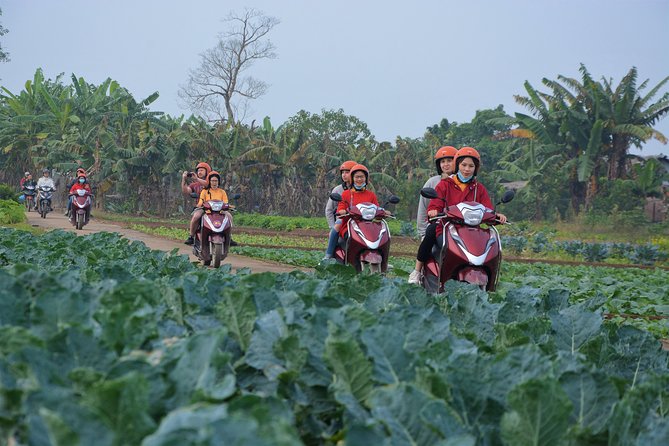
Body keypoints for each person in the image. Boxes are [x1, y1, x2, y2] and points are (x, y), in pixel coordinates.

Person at [408, 147, 507, 284]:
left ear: (476, 168)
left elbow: (487, 209)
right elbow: (434, 205)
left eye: (471, 166)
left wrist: (496, 216)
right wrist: (434, 211)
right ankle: (417, 271)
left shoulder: (479, 188)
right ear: (457, 166)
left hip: (471, 231)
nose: (467, 169)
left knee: (490, 241)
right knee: (431, 230)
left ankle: (490, 280)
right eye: (463, 165)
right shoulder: (444, 184)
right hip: (447, 227)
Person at [323, 164, 379, 259]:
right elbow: (340, 207)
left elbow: (376, 208)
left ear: (366, 179)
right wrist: (342, 211)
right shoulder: (345, 193)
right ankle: (328, 255)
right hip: (349, 222)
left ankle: (382, 258)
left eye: (362, 177)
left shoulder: (371, 195)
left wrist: (383, 212)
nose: (359, 179)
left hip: (366, 224)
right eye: (357, 177)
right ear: (352, 179)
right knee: (336, 226)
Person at [416, 146, 457, 240]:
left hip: (460, 228)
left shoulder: (464, 183)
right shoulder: (432, 182)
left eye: (449, 161)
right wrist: (423, 233)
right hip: (438, 227)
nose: (446, 164)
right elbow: (423, 207)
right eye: (442, 161)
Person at [186, 171, 230, 245]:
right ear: (209, 182)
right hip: (206, 210)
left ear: (218, 182)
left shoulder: (222, 192)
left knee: (229, 217)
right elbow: (201, 201)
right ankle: (191, 236)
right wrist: (198, 206)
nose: (214, 183)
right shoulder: (205, 191)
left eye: (216, 181)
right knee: (196, 216)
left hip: (220, 211)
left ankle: (229, 238)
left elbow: (225, 202)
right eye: (212, 181)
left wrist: (227, 206)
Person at [182, 162, 211, 245]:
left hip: (213, 207)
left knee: (225, 217)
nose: (199, 172)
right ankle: (191, 236)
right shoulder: (194, 185)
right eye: (198, 171)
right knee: (196, 216)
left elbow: (207, 184)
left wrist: (197, 179)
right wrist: (184, 179)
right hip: (201, 207)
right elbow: (185, 191)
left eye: (202, 170)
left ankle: (228, 236)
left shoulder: (212, 182)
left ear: (207, 171)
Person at [326, 160, 356, 229]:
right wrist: (332, 227)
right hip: (341, 223)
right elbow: (329, 210)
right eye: (342, 172)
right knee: (334, 235)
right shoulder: (337, 190)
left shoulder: (362, 191)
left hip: (358, 223)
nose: (344, 175)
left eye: (347, 172)